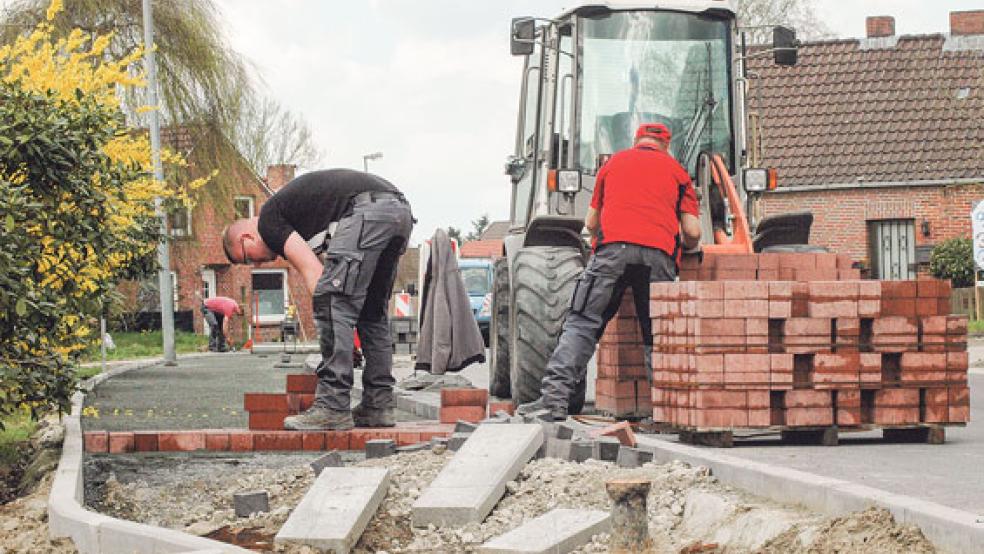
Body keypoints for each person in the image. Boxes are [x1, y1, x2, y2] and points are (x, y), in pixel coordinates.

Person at [517, 123, 702, 421]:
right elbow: (692, 230)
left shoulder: (613, 164)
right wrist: (689, 243)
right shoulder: (678, 172)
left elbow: (591, 223)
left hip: (612, 252)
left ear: (636, 141)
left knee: (582, 324)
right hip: (658, 257)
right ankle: (666, 412)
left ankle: (553, 401)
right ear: (666, 145)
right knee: (659, 333)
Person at [222, 169, 413, 430]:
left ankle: (332, 407)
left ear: (247, 237)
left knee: (330, 301)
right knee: (371, 312)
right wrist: (348, 338)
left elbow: (317, 279)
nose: (255, 264)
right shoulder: (303, 221)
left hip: (367, 213)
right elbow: (333, 275)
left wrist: (343, 332)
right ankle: (378, 405)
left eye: (247, 257)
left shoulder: (269, 221)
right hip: (397, 212)